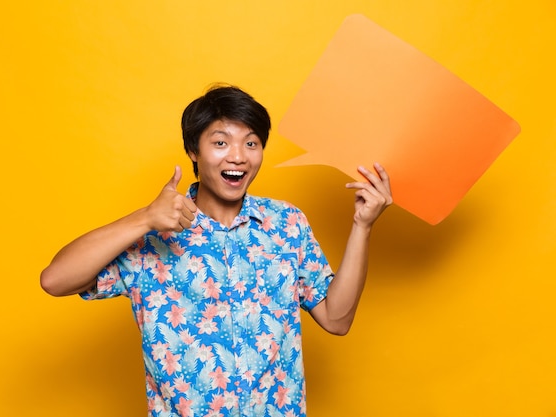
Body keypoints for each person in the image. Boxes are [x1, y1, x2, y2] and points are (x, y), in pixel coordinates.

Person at [40, 85, 392, 417]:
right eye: (221, 142)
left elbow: (337, 318)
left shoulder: (287, 224)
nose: (238, 156)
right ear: (193, 150)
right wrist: (145, 218)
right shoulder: (152, 236)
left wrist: (362, 225)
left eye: (251, 143)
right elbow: (55, 280)